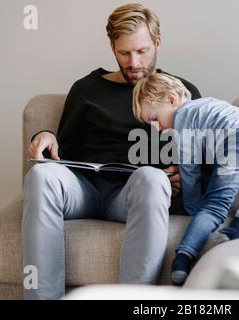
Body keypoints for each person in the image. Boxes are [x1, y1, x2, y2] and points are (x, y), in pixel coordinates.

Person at [22, 3, 201, 299]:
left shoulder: (181, 92)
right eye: (124, 53)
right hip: (84, 190)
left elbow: (199, 160)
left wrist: (186, 178)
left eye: (142, 51)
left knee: (152, 178)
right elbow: (61, 150)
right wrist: (45, 135)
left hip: (132, 195)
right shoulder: (86, 89)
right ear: (112, 47)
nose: (133, 62)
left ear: (157, 43)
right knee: (41, 176)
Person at [132, 73, 239, 285]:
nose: (156, 129)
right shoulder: (210, 105)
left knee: (214, 205)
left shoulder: (183, 117)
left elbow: (190, 172)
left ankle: (183, 258)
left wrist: (194, 209)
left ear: (172, 99)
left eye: (155, 119)